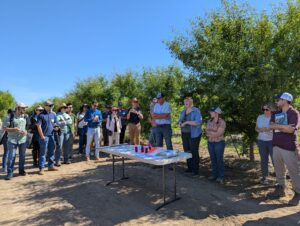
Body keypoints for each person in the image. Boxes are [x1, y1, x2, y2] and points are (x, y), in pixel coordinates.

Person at [267, 92, 300, 206]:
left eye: (278, 99)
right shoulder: (276, 113)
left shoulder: (294, 113)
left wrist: (278, 126)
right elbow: (270, 126)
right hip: (276, 145)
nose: (276, 101)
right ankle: (280, 189)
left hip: (289, 147)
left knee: (294, 171)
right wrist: (282, 126)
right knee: (279, 170)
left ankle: (298, 193)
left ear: (285, 100)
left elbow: (291, 130)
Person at [3, 103, 28, 180]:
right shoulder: (9, 117)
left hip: (22, 140)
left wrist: (26, 132)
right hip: (12, 140)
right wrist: (15, 129)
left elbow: (27, 128)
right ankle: (10, 173)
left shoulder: (25, 117)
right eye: (23, 108)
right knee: (11, 157)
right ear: (18, 108)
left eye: (25, 108)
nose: (24, 110)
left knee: (22, 156)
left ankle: (21, 171)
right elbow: (4, 128)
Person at [178, 97, 202, 176]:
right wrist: (180, 123)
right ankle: (189, 168)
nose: (186, 103)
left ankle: (195, 171)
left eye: (187, 102)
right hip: (184, 133)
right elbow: (180, 120)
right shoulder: (183, 111)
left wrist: (186, 122)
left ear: (191, 102)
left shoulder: (196, 111)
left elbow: (198, 122)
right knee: (187, 151)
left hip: (194, 134)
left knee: (194, 151)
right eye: (185, 102)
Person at [36, 100, 59, 175]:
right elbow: (38, 126)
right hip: (44, 136)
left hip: (51, 136)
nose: (51, 107)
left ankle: (50, 166)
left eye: (52, 105)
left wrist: (56, 128)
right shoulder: (41, 115)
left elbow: (55, 124)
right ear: (45, 106)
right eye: (49, 105)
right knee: (43, 153)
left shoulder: (53, 114)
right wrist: (42, 136)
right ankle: (41, 168)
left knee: (51, 151)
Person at [205, 107, 226, 184]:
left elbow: (219, 133)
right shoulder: (209, 121)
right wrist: (213, 133)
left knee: (219, 160)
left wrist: (212, 133)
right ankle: (214, 175)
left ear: (216, 113)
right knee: (213, 159)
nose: (210, 113)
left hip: (219, 143)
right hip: (210, 142)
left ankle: (221, 177)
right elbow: (206, 132)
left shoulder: (222, 122)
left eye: (212, 111)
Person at [255, 103, 274, 184]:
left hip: (272, 141)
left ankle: (279, 179)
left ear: (271, 110)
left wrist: (268, 129)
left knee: (275, 160)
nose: (265, 111)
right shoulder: (259, 117)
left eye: (267, 109)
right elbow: (256, 127)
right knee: (263, 160)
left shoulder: (274, 117)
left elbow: (277, 128)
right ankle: (264, 178)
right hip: (261, 141)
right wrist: (259, 130)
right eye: (263, 109)